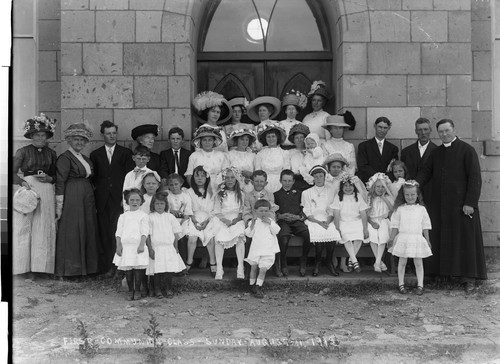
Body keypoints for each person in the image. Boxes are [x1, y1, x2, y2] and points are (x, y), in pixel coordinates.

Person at [416, 119, 487, 291]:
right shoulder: (436, 152)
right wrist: (414, 183)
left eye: (447, 130)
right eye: (441, 132)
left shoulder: (467, 150)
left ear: (454, 130)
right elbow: (426, 172)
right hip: (441, 206)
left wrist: (470, 202)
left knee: (465, 241)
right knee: (441, 240)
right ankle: (441, 275)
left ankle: (468, 278)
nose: (444, 134)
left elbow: (475, 178)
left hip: (462, 206)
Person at [13, 113, 57, 275]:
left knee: (43, 225)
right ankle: (23, 268)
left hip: (46, 189)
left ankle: (42, 268)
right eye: (37, 135)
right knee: (25, 226)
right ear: (31, 136)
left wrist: (50, 178)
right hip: (29, 188)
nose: (40, 138)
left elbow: (56, 175)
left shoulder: (51, 153)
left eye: (43, 135)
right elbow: (11, 172)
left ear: (47, 137)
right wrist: (22, 182)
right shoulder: (23, 152)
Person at [55, 122, 100, 278]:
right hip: (72, 195)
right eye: (76, 140)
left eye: (82, 140)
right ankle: (71, 270)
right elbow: (60, 181)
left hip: (86, 194)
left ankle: (87, 268)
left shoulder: (85, 159)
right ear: (69, 141)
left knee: (87, 227)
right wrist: (59, 204)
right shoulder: (65, 158)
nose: (79, 143)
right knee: (73, 229)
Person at [90, 120, 134, 276]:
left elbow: (129, 177)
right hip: (102, 200)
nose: (112, 136)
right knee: (105, 233)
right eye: (108, 133)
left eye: (114, 133)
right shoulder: (95, 154)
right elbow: (93, 179)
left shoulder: (125, 153)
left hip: (119, 200)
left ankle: (120, 267)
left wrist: (125, 198)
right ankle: (108, 266)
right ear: (103, 134)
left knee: (118, 233)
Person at [389, 181, 432, 295]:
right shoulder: (400, 209)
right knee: (402, 262)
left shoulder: (421, 209)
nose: (410, 197)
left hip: (417, 238)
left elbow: (426, 226)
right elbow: (395, 225)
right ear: (403, 195)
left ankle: (420, 285)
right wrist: (391, 238)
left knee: (418, 262)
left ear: (417, 194)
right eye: (407, 195)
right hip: (404, 237)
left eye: (412, 194)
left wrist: (427, 240)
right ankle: (401, 284)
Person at [206, 167, 246, 280]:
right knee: (219, 237)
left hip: (236, 219)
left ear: (236, 179)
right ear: (223, 179)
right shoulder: (220, 194)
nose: (230, 180)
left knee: (240, 235)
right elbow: (217, 211)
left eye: (232, 177)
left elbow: (242, 210)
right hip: (222, 219)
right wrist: (226, 221)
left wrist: (236, 220)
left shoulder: (241, 194)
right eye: (227, 178)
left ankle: (240, 267)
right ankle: (219, 267)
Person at [301, 166, 340, 276]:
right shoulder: (306, 193)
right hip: (313, 220)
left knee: (332, 233)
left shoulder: (330, 191)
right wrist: (318, 222)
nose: (318, 179)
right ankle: (317, 263)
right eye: (316, 177)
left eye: (321, 176)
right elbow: (307, 211)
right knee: (318, 234)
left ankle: (329, 262)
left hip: (327, 219)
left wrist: (327, 222)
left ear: (324, 177)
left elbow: (332, 209)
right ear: (313, 178)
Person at [147, 192, 186, 298]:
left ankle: (168, 288)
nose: (159, 206)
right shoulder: (150, 217)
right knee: (157, 271)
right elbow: (148, 235)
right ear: (153, 205)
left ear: (166, 205)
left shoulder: (170, 217)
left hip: (169, 247)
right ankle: (157, 289)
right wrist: (150, 249)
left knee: (169, 269)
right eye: (157, 204)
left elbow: (175, 233)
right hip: (156, 248)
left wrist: (176, 247)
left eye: (162, 204)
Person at [113, 188, 150, 300]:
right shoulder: (123, 216)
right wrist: (118, 246)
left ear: (141, 202)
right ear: (127, 201)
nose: (134, 202)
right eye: (132, 200)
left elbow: (145, 232)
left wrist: (141, 245)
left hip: (138, 246)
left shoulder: (143, 216)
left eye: (137, 200)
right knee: (128, 271)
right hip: (126, 247)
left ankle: (138, 290)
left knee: (138, 270)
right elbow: (118, 232)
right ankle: (130, 290)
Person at [274, 170, 311, 277]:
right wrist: (279, 216)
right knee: (283, 238)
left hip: (297, 220)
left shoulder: (300, 193)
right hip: (283, 222)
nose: (287, 183)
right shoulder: (276, 194)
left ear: (294, 181)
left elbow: (305, 207)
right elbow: (273, 210)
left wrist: (299, 217)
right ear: (280, 181)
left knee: (307, 234)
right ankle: (283, 263)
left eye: (290, 180)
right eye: (284, 180)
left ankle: (303, 261)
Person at [331, 173, 369, 273]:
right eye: (345, 186)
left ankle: (351, 261)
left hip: (356, 221)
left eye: (350, 185)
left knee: (359, 236)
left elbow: (363, 213)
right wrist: (337, 227)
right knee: (346, 236)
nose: (348, 188)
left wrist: (365, 228)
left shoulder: (358, 197)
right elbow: (336, 214)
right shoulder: (338, 197)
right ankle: (354, 261)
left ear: (354, 186)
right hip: (343, 221)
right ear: (341, 187)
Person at [245, 199, 281, 298]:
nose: (263, 213)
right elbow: (249, 234)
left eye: (266, 211)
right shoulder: (254, 222)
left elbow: (276, 231)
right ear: (255, 211)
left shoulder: (271, 221)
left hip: (268, 249)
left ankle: (258, 286)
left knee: (263, 269)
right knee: (254, 267)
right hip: (256, 248)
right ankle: (251, 285)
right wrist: (251, 225)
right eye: (261, 211)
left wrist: (270, 223)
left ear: (269, 211)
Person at [184, 166, 216, 275]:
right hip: (194, 217)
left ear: (207, 178)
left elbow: (214, 209)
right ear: (193, 177)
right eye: (197, 175)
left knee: (210, 237)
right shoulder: (189, 191)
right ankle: (189, 261)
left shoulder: (211, 191)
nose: (200, 178)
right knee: (192, 238)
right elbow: (188, 208)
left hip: (209, 218)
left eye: (203, 176)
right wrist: (194, 220)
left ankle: (212, 262)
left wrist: (207, 221)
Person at [401, 117, 437, 202]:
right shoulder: (406, 152)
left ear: (430, 130)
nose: (423, 133)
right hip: (411, 198)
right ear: (416, 131)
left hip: (432, 197)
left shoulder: (438, 151)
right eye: (420, 130)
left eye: (425, 129)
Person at [185, 126, 229, 193]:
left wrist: (222, 189)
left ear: (214, 141)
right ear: (201, 142)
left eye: (210, 140)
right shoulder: (194, 155)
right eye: (204, 140)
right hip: (200, 189)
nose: (207, 142)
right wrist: (196, 190)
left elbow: (226, 173)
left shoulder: (221, 155)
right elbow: (189, 175)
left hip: (218, 189)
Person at [366, 173, 394, 273]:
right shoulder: (369, 198)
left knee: (382, 236)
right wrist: (372, 223)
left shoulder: (388, 198)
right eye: (378, 186)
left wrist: (384, 199)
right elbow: (366, 215)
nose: (380, 189)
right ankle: (379, 262)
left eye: (383, 187)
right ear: (373, 187)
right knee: (373, 236)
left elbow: (392, 210)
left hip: (383, 220)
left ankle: (377, 263)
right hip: (371, 221)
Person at [357, 116, 399, 184]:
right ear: (375, 126)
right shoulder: (363, 146)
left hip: (386, 183)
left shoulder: (393, 149)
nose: (382, 130)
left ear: (389, 128)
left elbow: (392, 168)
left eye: (385, 128)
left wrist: (384, 179)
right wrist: (377, 177)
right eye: (380, 127)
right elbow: (362, 166)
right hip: (368, 182)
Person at [254, 124, 290, 193]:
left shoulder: (284, 153)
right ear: (265, 138)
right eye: (268, 137)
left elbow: (286, 172)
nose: (271, 139)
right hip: (264, 185)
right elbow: (257, 172)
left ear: (277, 138)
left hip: (280, 185)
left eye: (273, 136)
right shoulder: (260, 154)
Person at [123, 146, 153, 210]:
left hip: (145, 207)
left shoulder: (150, 174)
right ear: (133, 158)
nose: (141, 161)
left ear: (148, 159)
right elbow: (124, 193)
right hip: (130, 207)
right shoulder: (129, 175)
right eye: (138, 158)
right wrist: (126, 209)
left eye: (144, 159)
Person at [227, 128, 256, 193]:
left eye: (246, 140)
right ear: (237, 140)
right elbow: (226, 171)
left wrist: (251, 174)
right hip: (234, 186)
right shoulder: (229, 154)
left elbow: (256, 173)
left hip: (249, 186)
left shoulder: (253, 156)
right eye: (242, 139)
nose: (244, 142)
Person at [287, 123, 311, 191]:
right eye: (297, 138)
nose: (299, 140)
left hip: (309, 181)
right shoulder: (289, 153)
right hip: (294, 182)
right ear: (293, 140)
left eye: (301, 137)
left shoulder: (311, 152)